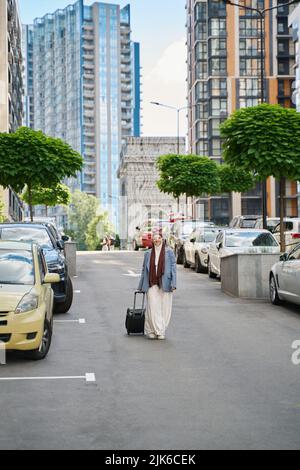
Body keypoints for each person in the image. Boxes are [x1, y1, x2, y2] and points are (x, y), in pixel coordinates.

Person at [138, 232, 177, 340]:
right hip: (151, 282)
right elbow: (143, 270)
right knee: (152, 306)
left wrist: (174, 283)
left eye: (158, 238)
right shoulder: (148, 253)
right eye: (154, 239)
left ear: (162, 239)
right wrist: (141, 285)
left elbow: (173, 268)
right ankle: (158, 330)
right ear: (152, 241)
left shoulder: (169, 252)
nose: (157, 240)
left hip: (165, 282)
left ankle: (155, 329)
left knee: (165, 307)